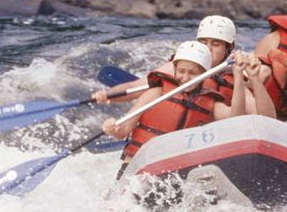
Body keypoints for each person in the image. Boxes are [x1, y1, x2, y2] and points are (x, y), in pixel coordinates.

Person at [102, 40, 251, 162]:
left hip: (176, 171)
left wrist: (238, 76)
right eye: (181, 71)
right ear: (174, 70)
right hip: (139, 164)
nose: (185, 78)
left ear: (205, 75)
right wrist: (112, 129)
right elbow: (122, 132)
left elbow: (235, 118)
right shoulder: (156, 93)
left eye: (193, 73)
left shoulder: (210, 103)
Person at [92, 15, 238, 104]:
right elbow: (133, 88)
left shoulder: (236, 72)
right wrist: (107, 96)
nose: (208, 48)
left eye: (216, 44)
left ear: (228, 48)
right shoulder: (175, 69)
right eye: (204, 42)